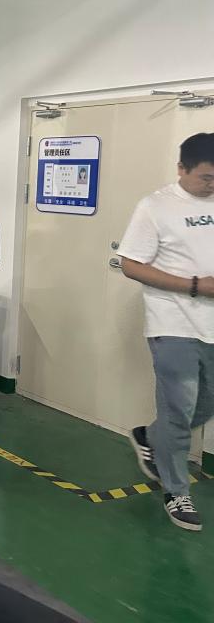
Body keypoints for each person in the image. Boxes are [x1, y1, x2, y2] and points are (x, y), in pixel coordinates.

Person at [120, 132, 214, 531]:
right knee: (179, 408)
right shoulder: (156, 206)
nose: (212, 185)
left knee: (205, 404)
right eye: (206, 177)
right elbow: (130, 264)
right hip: (173, 322)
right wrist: (194, 285)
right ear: (181, 169)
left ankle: (150, 437)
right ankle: (177, 491)